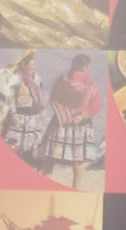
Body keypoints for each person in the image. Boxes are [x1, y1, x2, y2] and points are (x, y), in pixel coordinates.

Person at [40, 53, 101, 188]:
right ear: (85, 67)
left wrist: (65, 114)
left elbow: (53, 99)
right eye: (89, 67)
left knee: (50, 157)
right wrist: (82, 116)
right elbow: (95, 106)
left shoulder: (62, 80)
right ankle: (75, 188)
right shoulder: (89, 84)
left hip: (60, 123)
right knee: (78, 160)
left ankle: (44, 185)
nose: (89, 70)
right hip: (80, 125)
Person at [0, 50, 46, 164]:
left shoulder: (37, 78)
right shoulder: (16, 78)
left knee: (31, 144)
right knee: (15, 145)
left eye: (34, 65)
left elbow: (40, 93)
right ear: (23, 65)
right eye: (30, 65)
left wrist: (41, 109)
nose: (33, 68)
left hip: (33, 116)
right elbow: (10, 97)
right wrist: (13, 113)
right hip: (20, 115)